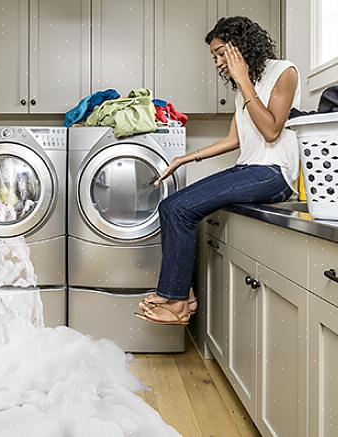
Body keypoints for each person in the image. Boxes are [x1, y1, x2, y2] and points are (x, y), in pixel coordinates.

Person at [136, 16, 300, 325]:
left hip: (273, 173)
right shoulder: (242, 91)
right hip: (249, 169)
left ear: (241, 47)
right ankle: (181, 294)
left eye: (222, 52)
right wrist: (184, 159)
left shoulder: (284, 72)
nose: (218, 62)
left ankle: (177, 302)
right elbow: (233, 140)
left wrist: (243, 80)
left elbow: (271, 131)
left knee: (182, 209)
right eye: (215, 56)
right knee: (171, 206)